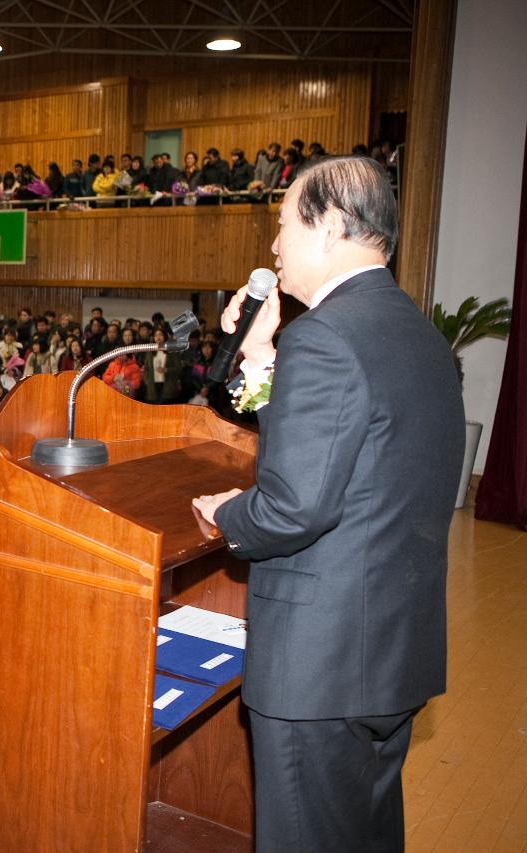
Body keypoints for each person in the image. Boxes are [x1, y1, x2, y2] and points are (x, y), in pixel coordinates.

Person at [192, 157, 465, 851]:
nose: (275, 245)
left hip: (321, 667)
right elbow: (337, 439)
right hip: (386, 652)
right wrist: (257, 354)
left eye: (283, 225)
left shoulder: (324, 336)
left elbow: (292, 507)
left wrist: (227, 514)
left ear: (331, 228)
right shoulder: (415, 334)